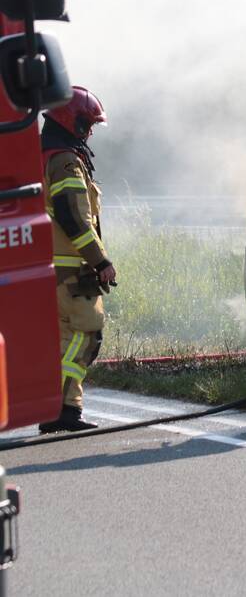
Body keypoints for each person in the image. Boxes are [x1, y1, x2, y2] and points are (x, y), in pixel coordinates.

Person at [38, 86, 115, 432]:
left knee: (65, 338)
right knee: (86, 335)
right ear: (75, 122)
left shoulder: (51, 155)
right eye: (89, 124)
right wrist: (100, 261)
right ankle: (64, 409)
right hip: (72, 269)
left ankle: (60, 407)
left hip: (56, 267)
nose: (92, 132)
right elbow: (74, 218)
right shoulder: (66, 161)